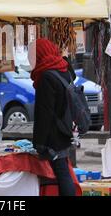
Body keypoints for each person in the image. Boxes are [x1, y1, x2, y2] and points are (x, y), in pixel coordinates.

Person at [28, 38, 76, 196]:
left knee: (62, 172)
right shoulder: (62, 69)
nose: (30, 61)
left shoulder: (47, 76)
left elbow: (44, 113)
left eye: (32, 57)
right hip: (64, 128)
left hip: (54, 135)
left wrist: (39, 143)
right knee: (62, 170)